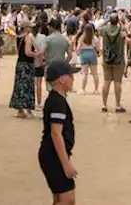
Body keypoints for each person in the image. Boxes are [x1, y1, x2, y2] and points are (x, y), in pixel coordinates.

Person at [39, 60, 79, 204]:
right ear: (62, 79)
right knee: (68, 199)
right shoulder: (58, 102)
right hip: (53, 156)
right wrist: (66, 164)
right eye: (71, 76)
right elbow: (56, 134)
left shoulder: (56, 99)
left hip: (51, 155)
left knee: (60, 199)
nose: (73, 80)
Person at [99, 12, 126, 114]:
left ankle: (104, 104)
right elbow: (127, 32)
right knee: (117, 83)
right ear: (117, 21)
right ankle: (118, 105)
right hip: (118, 60)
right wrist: (121, 23)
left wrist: (106, 21)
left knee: (106, 81)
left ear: (110, 21)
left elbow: (97, 27)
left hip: (107, 59)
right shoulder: (121, 31)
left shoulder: (104, 30)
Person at [10, 20, 38, 118]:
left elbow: (18, 51)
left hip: (20, 63)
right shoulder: (28, 38)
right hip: (27, 64)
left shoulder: (19, 37)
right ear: (26, 27)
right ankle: (29, 110)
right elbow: (28, 52)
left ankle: (20, 110)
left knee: (19, 86)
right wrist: (37, 54)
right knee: (28, 86)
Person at [76, 23, 100, 95]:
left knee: (84, 74)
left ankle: (83, 89)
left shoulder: (82, 38)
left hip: (84, 54)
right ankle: (96, 90)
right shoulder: (95, 38)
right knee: (95, 74)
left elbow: (78, 48)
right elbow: (98, 48)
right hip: (92, 53)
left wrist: (78, 53)